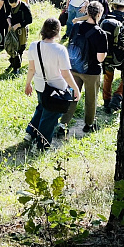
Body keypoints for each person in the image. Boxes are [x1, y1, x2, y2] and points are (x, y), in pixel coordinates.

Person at [24, 18, 80, 150]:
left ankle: (30, 133)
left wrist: (28, 83)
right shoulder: (60, 49)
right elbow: (65, 73)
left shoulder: (34, 46)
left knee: (42, 107)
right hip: (57, 89)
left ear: (43, 30)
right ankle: (42, 146)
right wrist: (75, 88)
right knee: (50, 116)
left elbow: (31, 68)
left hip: (40, 85)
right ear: (58, 32)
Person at [56, 0, 108, 136]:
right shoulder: (101, 34)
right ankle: (88, 125)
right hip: (91, 72)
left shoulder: (76, 26)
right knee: (91, 100)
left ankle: (63, 125)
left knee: (72, 96)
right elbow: (100, 59)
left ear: (87, 12)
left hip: (74, 68)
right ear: (100, 14)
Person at [101, 0, 124, 112]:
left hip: (106, 54)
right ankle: (117, 96)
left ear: (113, 6)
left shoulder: (105, 18)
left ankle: (106, 101)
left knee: (108, 77)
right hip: (120, 56)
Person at [7, 0, 33, 75]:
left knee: (19, 48)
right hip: (13, 29)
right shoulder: (10, 5)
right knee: (12, 46)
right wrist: (9, 23)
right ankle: (12, 63)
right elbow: (7, 14)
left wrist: (19, 24)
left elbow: (29, 20)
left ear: (18, 1)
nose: (13, 7)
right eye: (11, 5)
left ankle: (16, 67)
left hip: (22, 30)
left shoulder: (24, 6)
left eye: (14, 5)